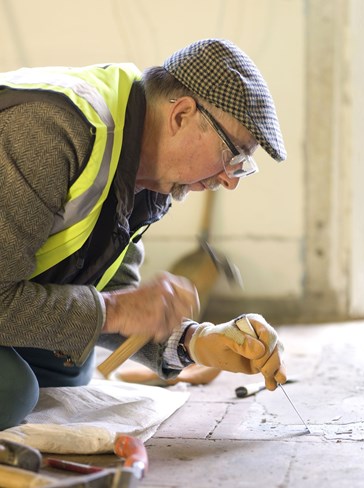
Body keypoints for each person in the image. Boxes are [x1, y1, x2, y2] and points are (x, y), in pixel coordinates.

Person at [0, 38, 287, 430]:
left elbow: (113, 294)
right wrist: (117, 310)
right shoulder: (53, 132)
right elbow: (114, 308)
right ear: (182, 114)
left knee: (68, 364)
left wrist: (196, 341)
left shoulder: (143, 177)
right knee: (13, 391)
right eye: (233, 155)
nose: (230, 180)